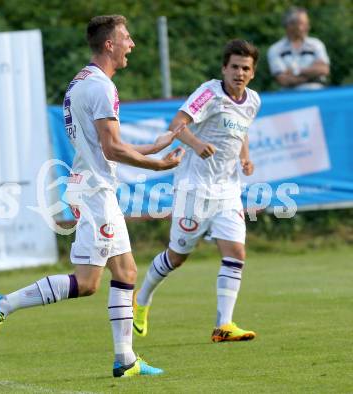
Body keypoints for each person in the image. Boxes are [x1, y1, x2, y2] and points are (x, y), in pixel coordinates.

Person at [0, 15, 184, 378]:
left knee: (126, 271)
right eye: (126, 38)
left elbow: (106, 145)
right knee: (88, 282)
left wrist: (155, 146)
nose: (131, 44)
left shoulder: (81, 81)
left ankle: (126, 359)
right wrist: (156, 166)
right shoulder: (101, 87)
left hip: (94, 186)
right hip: (94, 192)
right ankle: (2, 304)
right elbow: (112, 148)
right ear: (109, 44)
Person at [133, 39, 261, 343]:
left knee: (236, 253)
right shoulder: (209, 93)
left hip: (227, 190)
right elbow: (177, 123)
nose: (239, 73)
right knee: (177, 257)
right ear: (224, 68)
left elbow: (241, 130)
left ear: (252, 73)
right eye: (234, 67)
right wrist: (196, 143)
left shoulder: (253, 100)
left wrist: (245, 156)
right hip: (194, 188)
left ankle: (223, 325)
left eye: (245, 68)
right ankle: (142, 299)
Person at [267, 6, 330, 90]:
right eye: (303, 24)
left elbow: (324, 69)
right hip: (290, 97)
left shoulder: (316, 44)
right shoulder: (275, 49)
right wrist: (312, 75)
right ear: (290, 25)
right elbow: (283, 80)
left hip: (316, 93)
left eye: (307, 24)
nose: (308, 27)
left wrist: (295, 71)